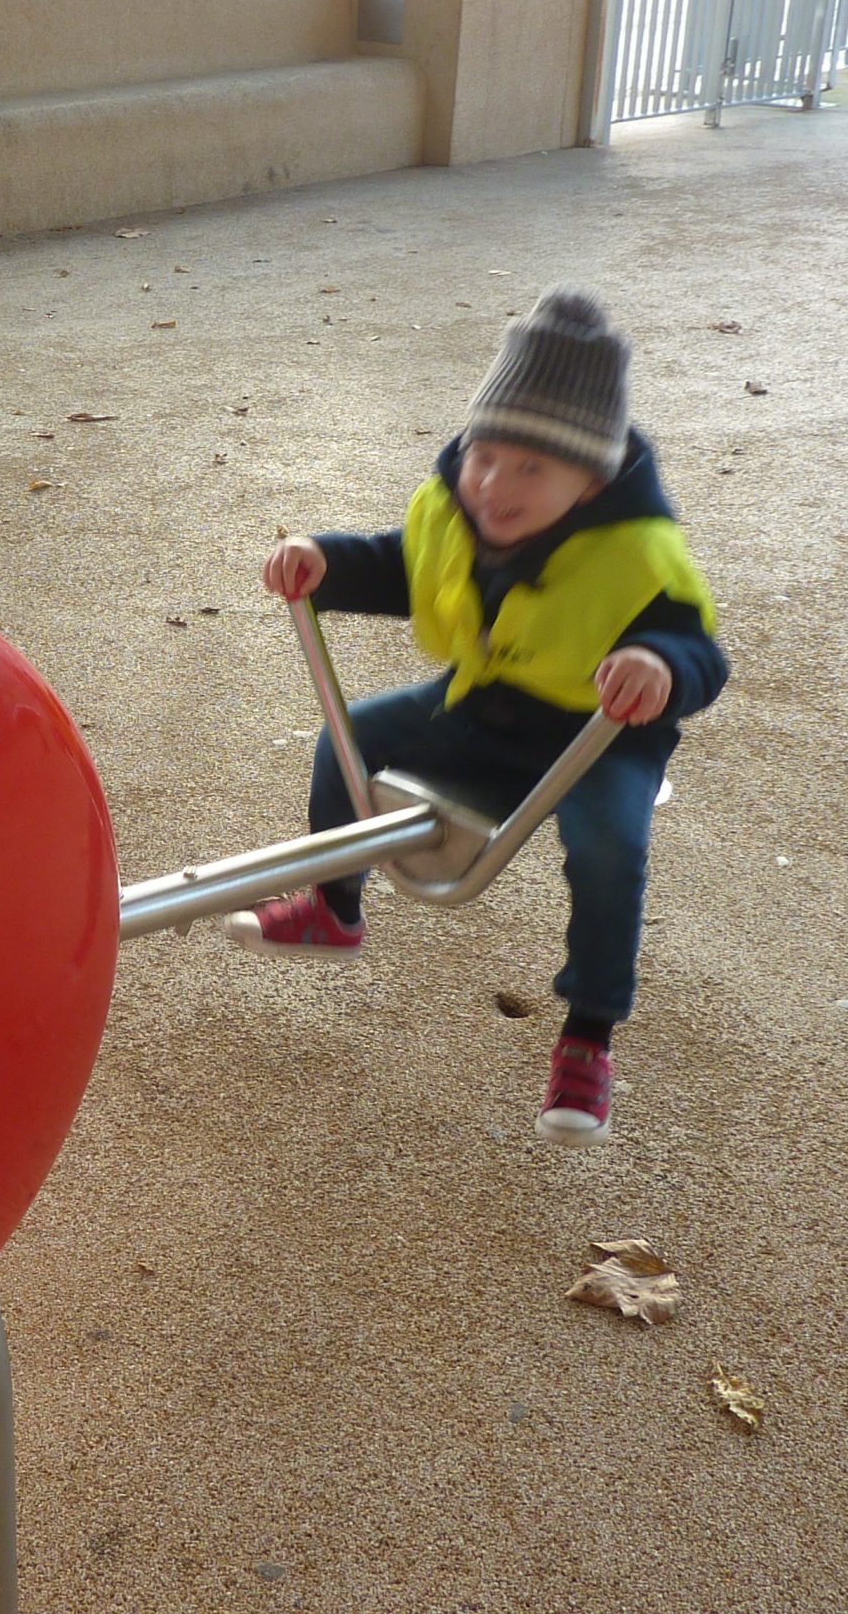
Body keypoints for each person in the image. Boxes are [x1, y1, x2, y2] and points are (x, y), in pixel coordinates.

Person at [223, 287, 728, 1147]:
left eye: (533, 470)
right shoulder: (457, 507)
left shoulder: (639, 552)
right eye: (485, 456)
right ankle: (334, 908)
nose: (496, 485)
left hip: (594, 737)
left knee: (612, 845)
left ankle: (588, 1037)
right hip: (483, 708)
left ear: (591, 479)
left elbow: (702, 656)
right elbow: (402, 564)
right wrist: (324, 563)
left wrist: (658, 666)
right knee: (351, 738)